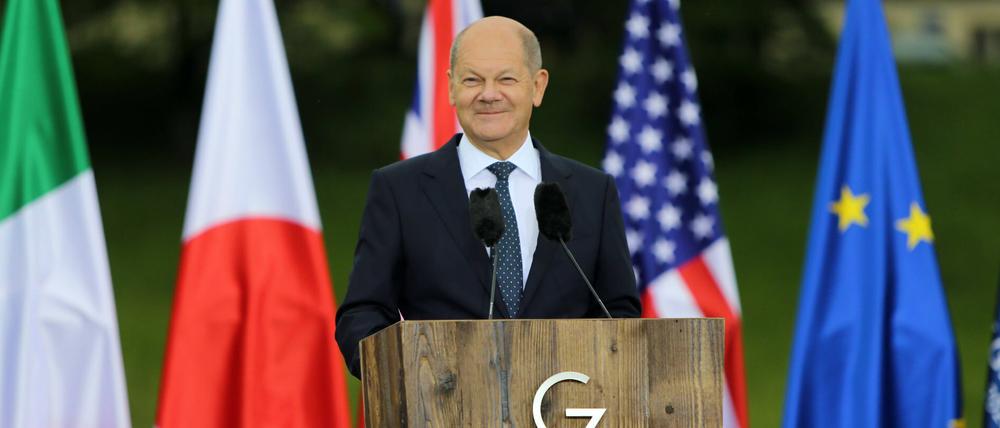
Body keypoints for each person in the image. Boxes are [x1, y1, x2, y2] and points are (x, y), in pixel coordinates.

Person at [335, 16, 640, 378]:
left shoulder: (592, 191)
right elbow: (361, 315)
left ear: (538, 86)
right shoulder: (399, 189)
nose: (488, 94)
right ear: (450, 88)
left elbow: (618, 313)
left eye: (506, 79)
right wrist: (410, 377)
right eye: (472, 80)